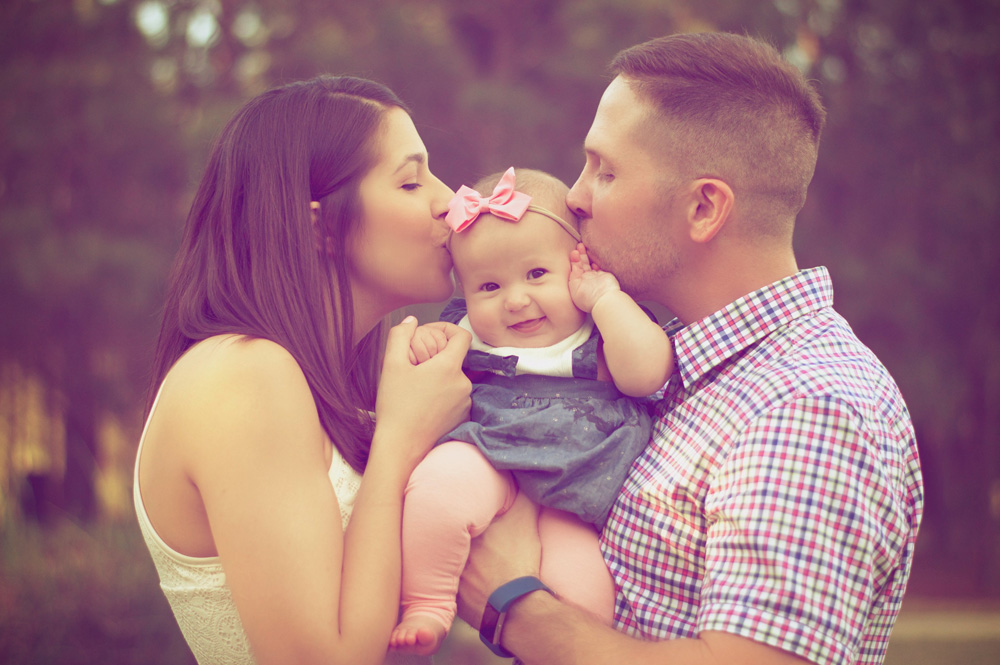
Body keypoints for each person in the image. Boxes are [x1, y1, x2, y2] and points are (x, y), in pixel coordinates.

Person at [457, 32, 924, 665]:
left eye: (606, 170)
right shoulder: (671, 365)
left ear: (703, 207)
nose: (574, 196)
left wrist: (515, 606)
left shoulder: (809, 405)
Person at [132, 75, 473, 665]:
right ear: (320, 226)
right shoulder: (244, 374)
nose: (450, 199)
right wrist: (398, 440)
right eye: (412, 181)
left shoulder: (328, 383)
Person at [388, 167, 673, 655]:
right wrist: (428, 344)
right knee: (435, 493)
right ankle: (429, 602)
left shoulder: (603, 324)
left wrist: (605, 298)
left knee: (584, 599)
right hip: (491, 454)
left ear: (580, 264)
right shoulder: (466, 332)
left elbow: (648, 374)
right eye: (489, 287)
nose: (516, 300)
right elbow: (432, 379)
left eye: (537, 274)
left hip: (578, 493)